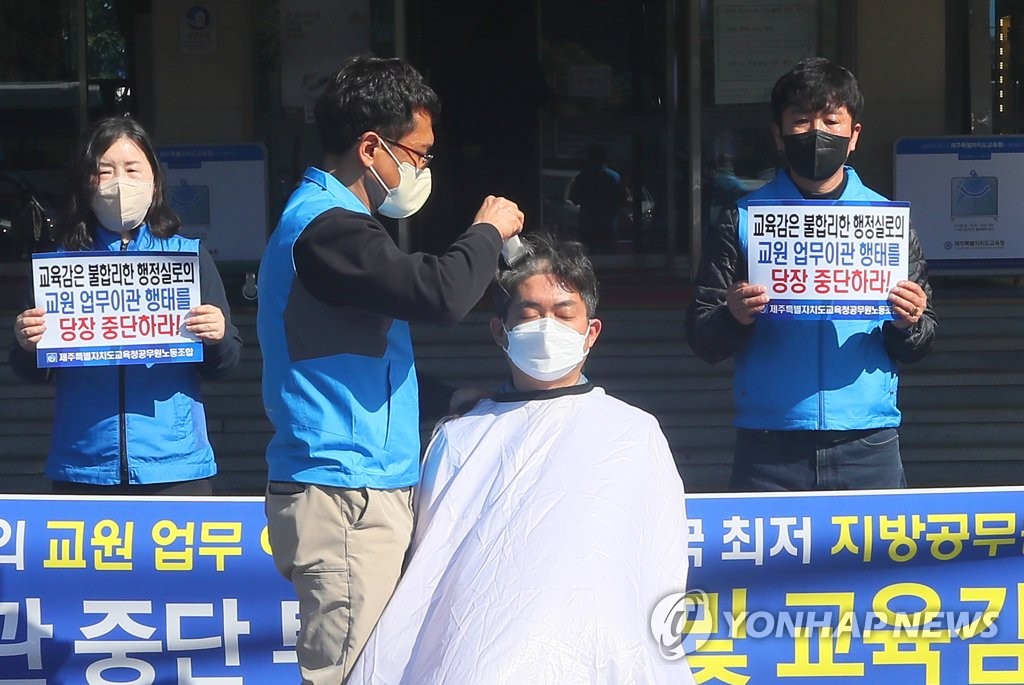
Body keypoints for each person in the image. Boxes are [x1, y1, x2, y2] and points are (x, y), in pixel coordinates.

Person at [257, 55, 524, 685]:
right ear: (372, 147)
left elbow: (356, 359)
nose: (424, 168)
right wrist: (487, 233)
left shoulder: (338, 228)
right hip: (343, 491)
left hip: (359, 481)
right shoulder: (325, 230)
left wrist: (449, 395)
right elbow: (440, 294)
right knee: (349, 673)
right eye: (420, 153)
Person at [348, 232, 694, 684]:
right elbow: (432, 564)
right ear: (500, 331)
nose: (546, 326)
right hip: (475, 658)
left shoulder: (631, 432)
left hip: (594, 657)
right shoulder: (460, 436)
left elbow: (657, 561)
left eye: (563, 313)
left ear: (591, 332)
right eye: (529, 314)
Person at [685, 57, 937, 492]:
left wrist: (908, 323)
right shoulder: (744, 219)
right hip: (770, 446)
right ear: (778, 135)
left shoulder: (886, 222)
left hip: (867, 444)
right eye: (800, 120)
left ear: (853, 134)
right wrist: (733, 316)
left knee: (871, 564)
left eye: (831, 119)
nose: (816, 132)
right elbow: (702, 335)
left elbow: (922, 340)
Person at [8, 116, 242, 495]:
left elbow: (226, 363)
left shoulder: (187, 258)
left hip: (175, 466)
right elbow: (35, 372)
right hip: (83, 466)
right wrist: (26, 343)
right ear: (85, 183)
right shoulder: (59, 266)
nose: (120, 183)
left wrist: (217, 337)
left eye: (132, 169)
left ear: (154, 179)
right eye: (104, 171)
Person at [569, 144, 627, 253]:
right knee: (609, 257)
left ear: (589, 158)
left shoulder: (582, 177)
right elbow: (622, 200)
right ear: (605, 158)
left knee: (587, 257)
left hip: (587, 224)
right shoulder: (614, 177)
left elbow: (574, 198)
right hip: (608, 224)